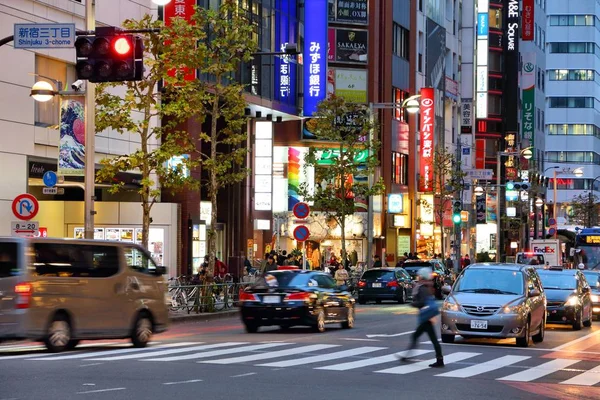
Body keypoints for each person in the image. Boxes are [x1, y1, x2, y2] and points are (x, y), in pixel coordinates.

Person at [401, 267, 444, 368]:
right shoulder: (427, 286)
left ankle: (439, 360)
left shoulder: (422, 287)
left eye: (419, 275)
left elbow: (422, 302)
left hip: (426, 317)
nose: (418, 277)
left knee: (420, 337)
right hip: (427, 316)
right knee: (428, 338)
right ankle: (439, 359)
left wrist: (413, 304)